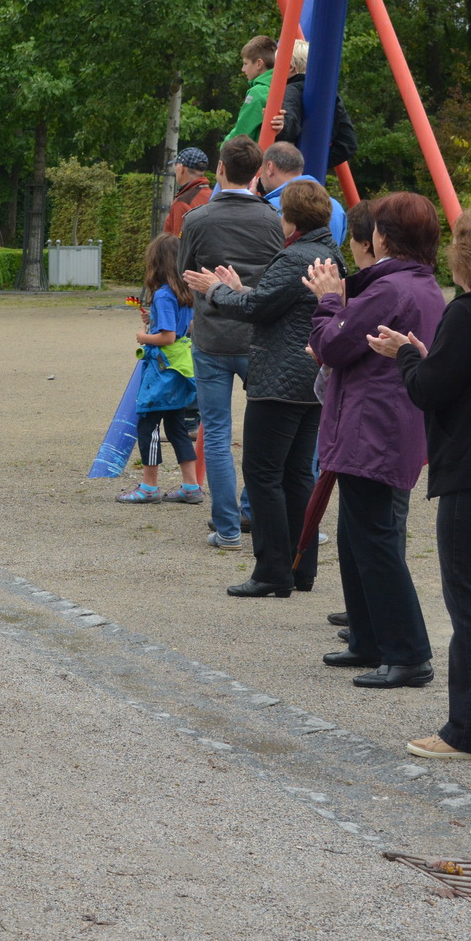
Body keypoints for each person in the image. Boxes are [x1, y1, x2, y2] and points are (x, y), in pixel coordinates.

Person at [372, 207, 471, 758]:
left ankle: (470, 730)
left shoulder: (470, 313)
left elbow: (430, 388)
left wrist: (406, 355)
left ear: (465, 257)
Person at [307, 191, 446, 688]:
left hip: (374, 427)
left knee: (376, 540)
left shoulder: (392, 290)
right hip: (386, 423)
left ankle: (409, 654)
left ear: (384, 236)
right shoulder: (423, 286)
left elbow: (332, 344)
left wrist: (327, 299)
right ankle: (368, 638)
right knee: (357, 536)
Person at [185, 180, 339, 596]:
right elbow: (278, 301)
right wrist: (239, 290)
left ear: (290, 218)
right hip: (311, 380)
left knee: (263, 473)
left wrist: (216, 291)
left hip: (279, 382)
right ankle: (299, 566)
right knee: (296, 476)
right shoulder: (328, 254)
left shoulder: (294, 257)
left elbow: (257, 309)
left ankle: (272, 571)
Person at [178, 134, 285, 551]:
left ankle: (226, 529)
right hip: (259, 334)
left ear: (220, 168)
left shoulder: (197, 219)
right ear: (258, 173)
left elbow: (186, 272)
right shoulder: (273, 219)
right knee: (264, 434)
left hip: (212, 335)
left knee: (217, 432)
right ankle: (251, 509)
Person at [119, 235, 199, 504]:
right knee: (177, 426)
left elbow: (167, 337)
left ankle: (149, 487)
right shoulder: (184, 291)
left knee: (148, 425)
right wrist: (152, 319)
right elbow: (184, 328)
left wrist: (144, 337)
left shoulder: (164, 294)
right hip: (181, 367)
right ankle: (191, 487)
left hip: (163, 369)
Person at [270, 39, 359, 173]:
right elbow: (348, 144)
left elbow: (290, 118)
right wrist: (317, 163)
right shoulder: (330, 96)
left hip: (288, 173)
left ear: (289, 67)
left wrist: (283, 127)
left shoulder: (291, 90)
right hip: (314, 171)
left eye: (276, 66)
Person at [257, 141, 347, 246]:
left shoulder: (269, 208)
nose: (260, 175)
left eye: (261, 169)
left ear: (270, 167)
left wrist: (250, 203)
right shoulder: (336, 207)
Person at [223, 34, 276, 143]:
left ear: (259, 64)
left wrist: (224, 147)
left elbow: (242, 133)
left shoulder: (258, 92)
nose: (243, 69)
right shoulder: (277, 87)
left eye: (245, 64)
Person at [163, 147, 213, 236]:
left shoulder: (182, 202)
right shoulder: (213, 196)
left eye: (176, 165)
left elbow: (177, 244)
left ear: (181, 168)